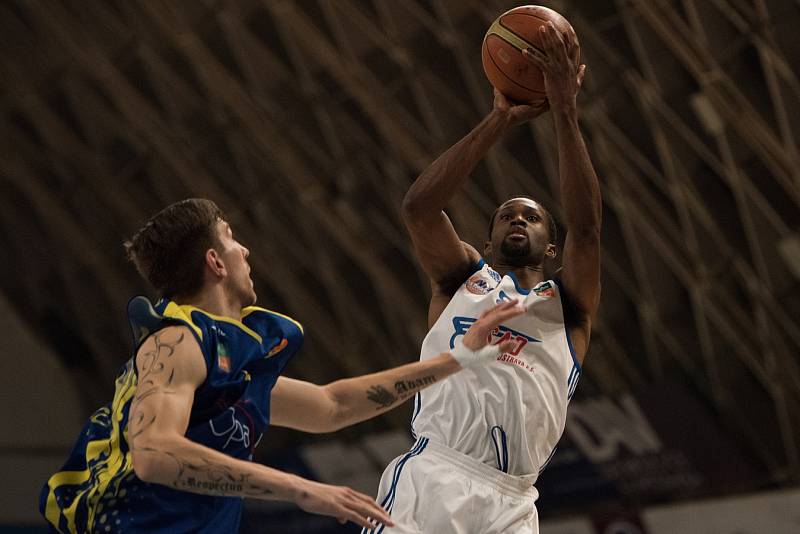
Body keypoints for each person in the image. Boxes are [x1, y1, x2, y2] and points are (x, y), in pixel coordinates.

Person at [39, 198, 527, 533]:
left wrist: (457, 359)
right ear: (215, 262)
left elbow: (331, 405)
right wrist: (299, 489)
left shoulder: (233, 366)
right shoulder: (177, 341)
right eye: (232, 238)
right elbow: (153, 454)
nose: (245, 249)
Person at [365, 22, 601, 534]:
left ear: (552, 246)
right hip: (437, 474)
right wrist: (499, 120)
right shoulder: (462, 281)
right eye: (506, 215)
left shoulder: (570, 305)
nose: (518, 219)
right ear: (489, 242)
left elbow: (587, 225)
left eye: (532, 216)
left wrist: (564, 109)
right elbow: (419, 208)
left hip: (514, 502)